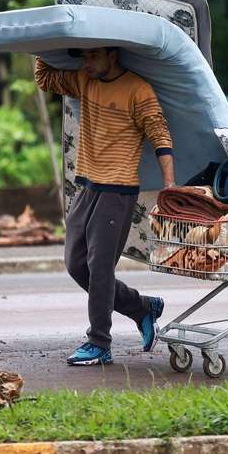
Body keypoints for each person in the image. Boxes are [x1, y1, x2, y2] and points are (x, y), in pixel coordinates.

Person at [35, 46, 176, 366]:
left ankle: (99, 342)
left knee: (100, 268)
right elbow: (44, 79)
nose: (87, 63)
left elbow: (161, 136)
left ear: (112, 54)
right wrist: (42, 43)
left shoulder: (138, 90)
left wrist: (170, 187)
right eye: (83, 57)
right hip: (86, 186)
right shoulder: (85, 79)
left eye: (93, 56)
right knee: (76, 264)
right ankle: (141, 307)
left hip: (118, 190)